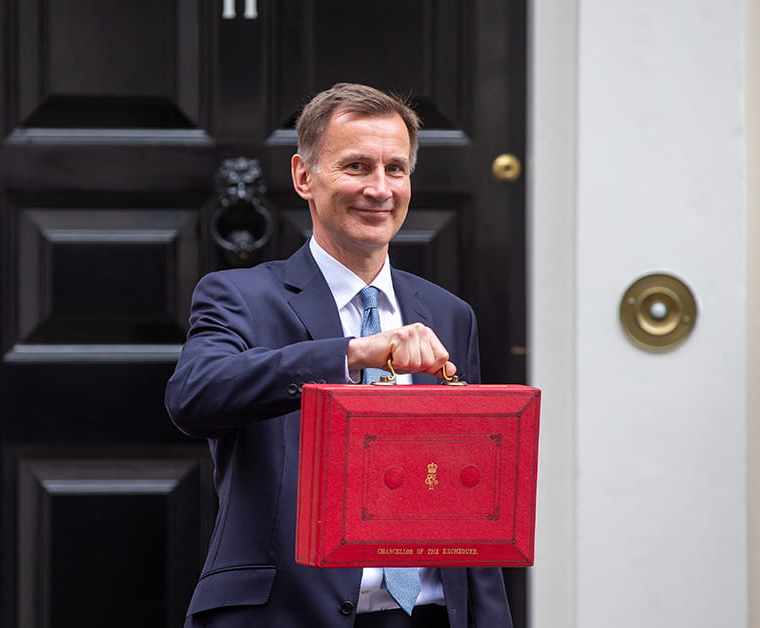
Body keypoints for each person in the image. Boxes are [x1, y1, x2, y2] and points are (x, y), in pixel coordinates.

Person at [165, 83, 513, 628]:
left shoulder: (450, 315)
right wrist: (350, 354)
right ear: (304, 176)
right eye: (356, 166)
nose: (379, 189)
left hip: (428, 614)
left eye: (395, 169)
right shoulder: (240, 296)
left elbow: (470, 498)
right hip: (283, 614)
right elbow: (195, 396)